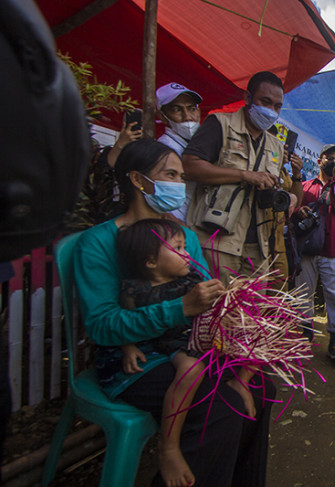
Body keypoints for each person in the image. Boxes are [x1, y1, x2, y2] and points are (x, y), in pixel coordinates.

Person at [74, 139, 274, 486]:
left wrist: (229, 309)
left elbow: (206, 297)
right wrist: (180, 308)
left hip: (187, 347)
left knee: (260, 386)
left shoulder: (184, 236)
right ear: (138, 180)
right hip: (133, 361)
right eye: (170, 175)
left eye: (181, 177)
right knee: (222, 407)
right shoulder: (98, 243)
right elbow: (103, 326)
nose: (179, 185)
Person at [112, 218, 257, 487]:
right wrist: (128, 346)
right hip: (174, 344)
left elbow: (215, 303)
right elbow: (124, 321)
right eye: (178, 248)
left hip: (202, 336)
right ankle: (168, 446)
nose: (187, 252)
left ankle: (242, 382)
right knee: (192, 370)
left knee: (255, 339)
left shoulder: (191, 279)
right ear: (151, 262)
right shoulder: (135, 290)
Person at [183, 71, 303, 285]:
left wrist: (286, 197)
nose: (270, 111)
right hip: (217, 241)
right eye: (265, 102)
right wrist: (244, 175)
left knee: (250, 315)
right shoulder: (220, 124)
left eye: (277, 106)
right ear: (248, 98)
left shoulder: (275, 145)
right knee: (215, 311)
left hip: (259, 247)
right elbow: (189, 166)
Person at [294, 143, 335, 358]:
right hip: (307, 248)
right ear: (320, 161)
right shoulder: (307, 186)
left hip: (333, 250)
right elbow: (295, 208)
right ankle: (306, 335)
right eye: (331, 158)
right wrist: (299, 211)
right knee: (304, 294)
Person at [155, 82, 204, 222]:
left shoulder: (200, 143)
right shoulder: (164, 148)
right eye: (177, 110)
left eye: (192, 109)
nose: (187, 117)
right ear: (163, 116)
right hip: (176, 223)